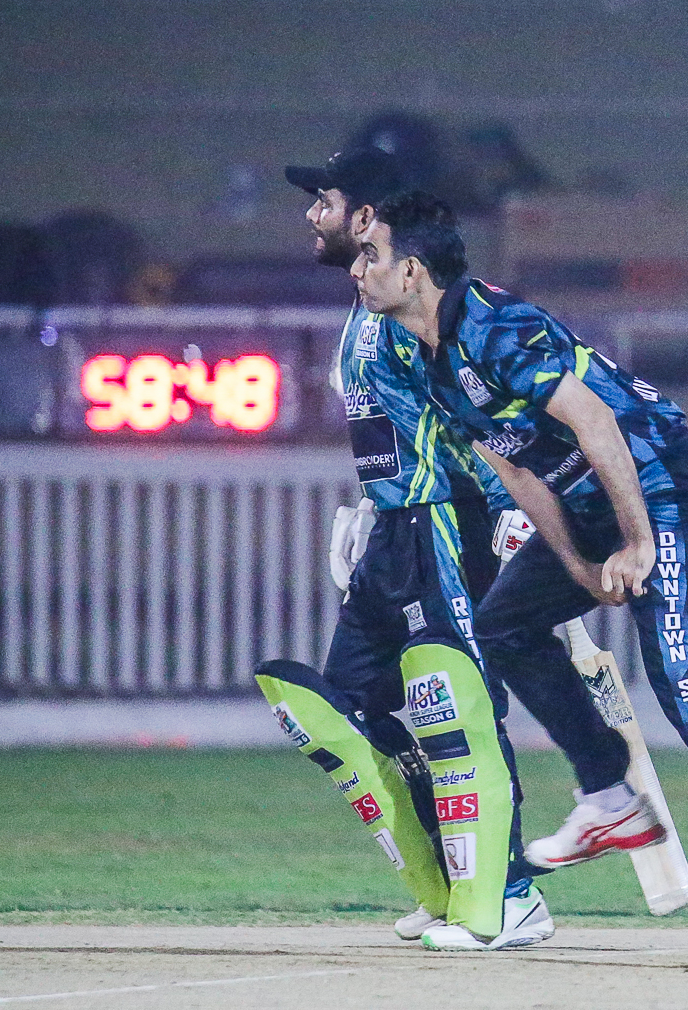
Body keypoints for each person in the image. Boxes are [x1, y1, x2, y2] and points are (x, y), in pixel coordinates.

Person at [352, 190, 688, 974]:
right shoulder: (420, 355)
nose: (358, 270)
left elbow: (596, 422)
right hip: (590, 509)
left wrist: (638, 541)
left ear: (412, 270)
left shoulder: (494, 326)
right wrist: (581, 565)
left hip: (662, 484)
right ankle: (610, 796)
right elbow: (516, 467)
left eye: (370, 254)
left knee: (685, 675)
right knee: (504, 626)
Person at [258, 146, 553, 951]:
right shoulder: (365, 308)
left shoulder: (412, 308)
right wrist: (373, 513)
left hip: (445, 524)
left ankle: (510, 893)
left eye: (323, 200)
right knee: (347, 707)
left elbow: (481, 413)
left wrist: (513, 511)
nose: (311, 215)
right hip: (394, 530)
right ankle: (456, 880)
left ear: (366, 217)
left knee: (459, 706)